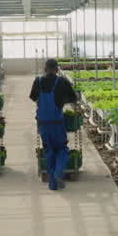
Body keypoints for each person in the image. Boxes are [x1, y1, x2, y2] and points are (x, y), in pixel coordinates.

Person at [30, 58, 77, 191]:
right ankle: (58, 173)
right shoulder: (62, 81)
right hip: (57, 122)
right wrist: (62, 100)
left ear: (45, 69)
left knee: (49, 150)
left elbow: (33, 97)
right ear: (57, 69)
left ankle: (53, 185)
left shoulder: (38, 81)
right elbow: (73, 98)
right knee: (62, 149)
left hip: (43, 123)